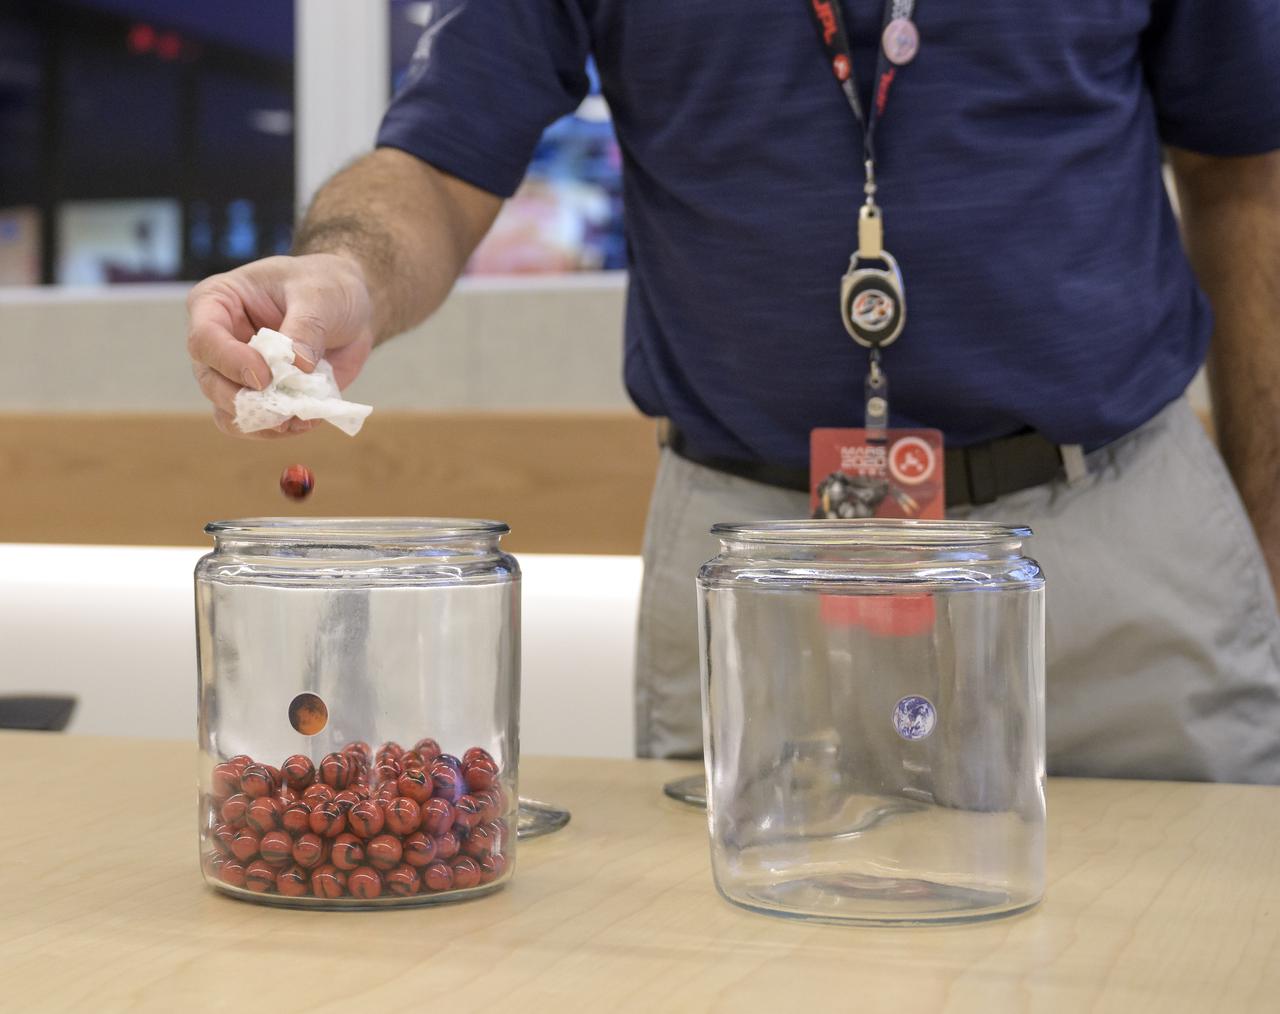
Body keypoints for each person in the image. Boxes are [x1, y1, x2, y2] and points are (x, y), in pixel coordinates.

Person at [187, 2, 1280, 783]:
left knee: (1187, 951)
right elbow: (431, 165)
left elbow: (1246, 172)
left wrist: (1264, 541)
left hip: (1117, 547)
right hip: (757, 565)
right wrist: (341, 274)